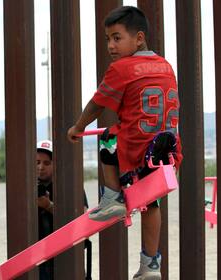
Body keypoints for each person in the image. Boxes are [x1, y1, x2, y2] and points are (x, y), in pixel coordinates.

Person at [67, 6, 182, 280]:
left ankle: (112, 198)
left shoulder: (122, 68)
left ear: (139, 38)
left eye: (117, 38)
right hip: (166, 149)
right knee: (151, 204)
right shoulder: (165, 65)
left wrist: (78, 126)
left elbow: (97, 104)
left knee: (107, 138)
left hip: (136, 148)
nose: (110, 45)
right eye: (108, 39)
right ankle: (151, 264)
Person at [36, 140, 90, 280]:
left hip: (66, 256)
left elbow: (84, 222)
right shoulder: (28, 186)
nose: (41, 167)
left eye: (47, 163)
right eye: (37, 162)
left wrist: (49, 206)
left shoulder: (70, 185)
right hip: (36, 257)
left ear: (56, 164)